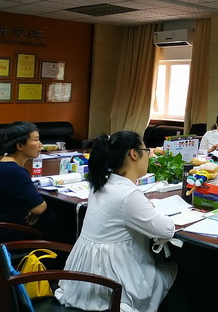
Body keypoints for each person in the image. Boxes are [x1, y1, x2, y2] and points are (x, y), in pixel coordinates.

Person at [55, 131, 177, 312]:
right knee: (174, 269)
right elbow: (166, 230)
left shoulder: (101, 184)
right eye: (146, 151)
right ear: (134, 154)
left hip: (83, 278)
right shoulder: (128, 194)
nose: (149, 156)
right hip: (111, 282)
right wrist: (154, 210)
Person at [0, 121, 54, 240]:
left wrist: (32, 210)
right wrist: (34, 210)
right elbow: (39, 208)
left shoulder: (5, 164)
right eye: (36, 140)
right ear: (20, 146)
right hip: (8, 234)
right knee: (56, 217)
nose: (40, 144)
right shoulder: (15, 171)